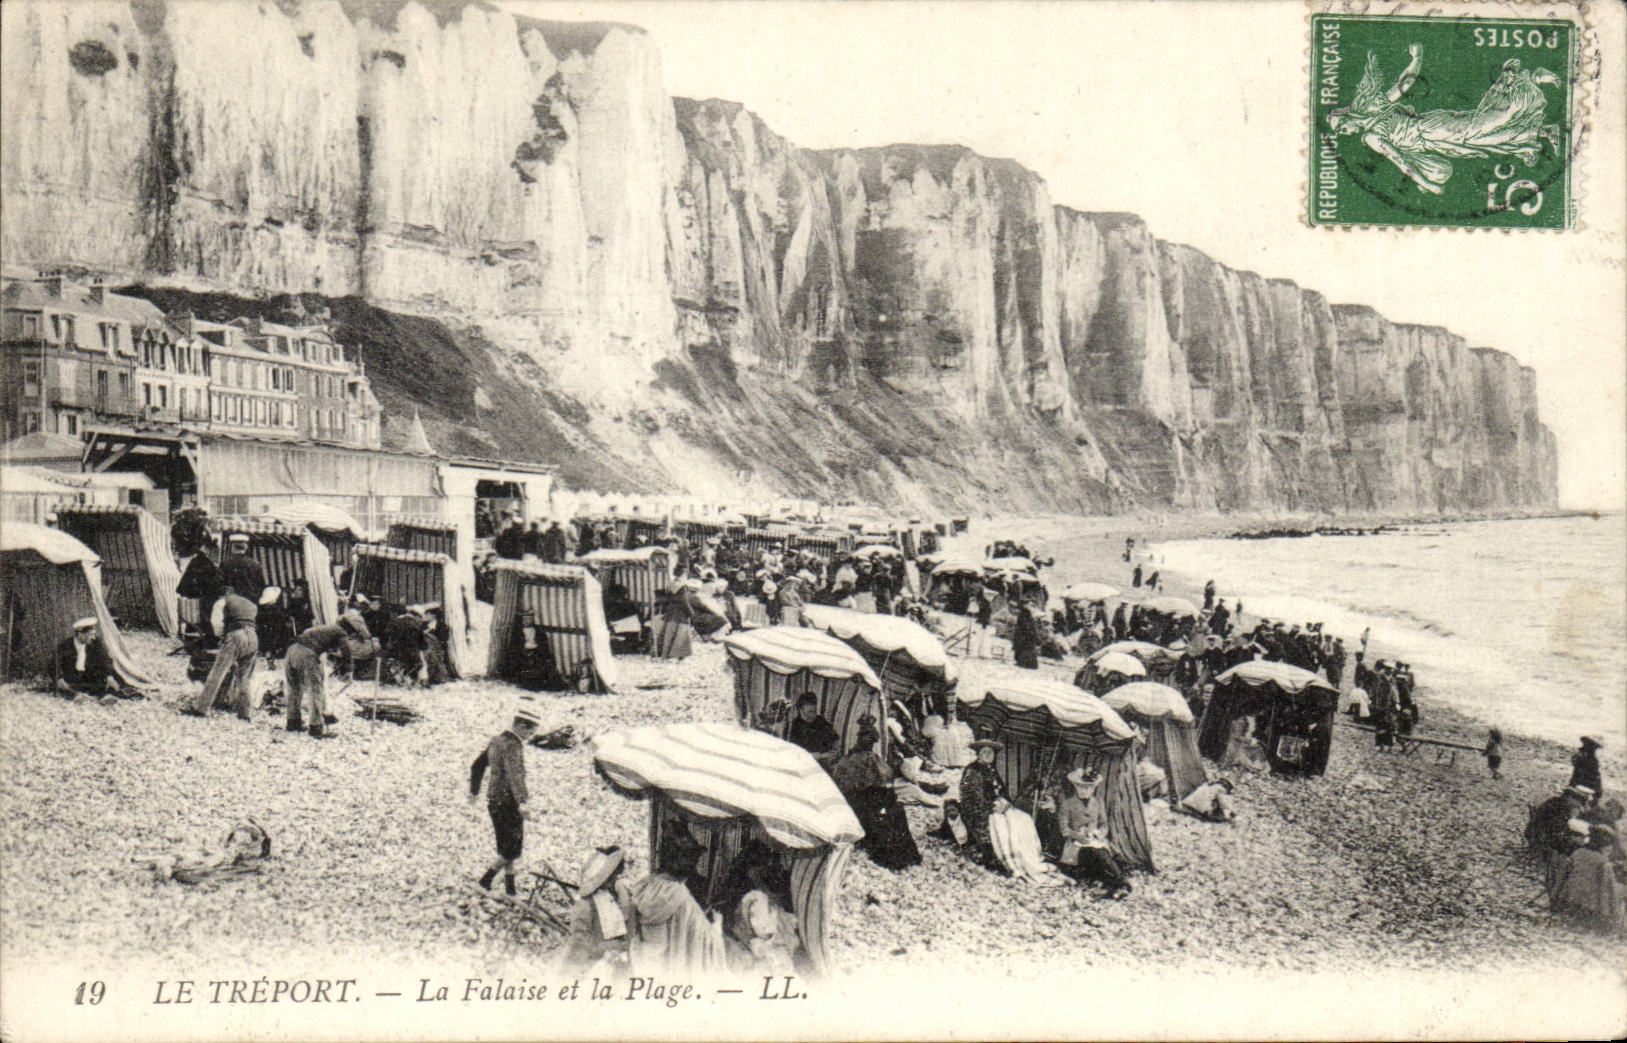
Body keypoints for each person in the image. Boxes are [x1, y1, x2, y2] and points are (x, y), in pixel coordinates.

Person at [622, 830, 726, 976]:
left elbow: (632, 932)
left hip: (643, 966)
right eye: (693, 860)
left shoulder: (644, 886)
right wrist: (717, 925)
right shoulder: (679, 895)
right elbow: (707, 942)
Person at [469, 702, 541, 896]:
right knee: (511, 850)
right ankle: (484, 882)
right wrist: (522, 802)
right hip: (509, 802)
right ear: (522, 726)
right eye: (531, 732)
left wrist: (474, 791)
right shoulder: (513, 746)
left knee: (507, 846)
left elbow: (477, 765)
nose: (530, 737)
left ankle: (510, 890)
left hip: (494, 800)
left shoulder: (497, 740)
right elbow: (514, 776)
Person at [831, 719, 920, 871]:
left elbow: (883, 783)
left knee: (894, 813)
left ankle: (902, 854)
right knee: (884, 818)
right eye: (868, 740)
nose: (869, 744)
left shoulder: (866, 759)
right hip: (858, 805)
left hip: (869, 799)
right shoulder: (852, 760)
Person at [283, 612, 377, 738]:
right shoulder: (340, 632)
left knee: (294, 689)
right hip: (307, 654)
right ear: (351, 629)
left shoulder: (326, 628)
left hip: (291, 651)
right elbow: (347, 652)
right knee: (315, 691)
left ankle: (293, 722)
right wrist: (349, 670)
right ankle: (316, 727)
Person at [185, 585, 259, 720]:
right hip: (253, 637)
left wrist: (221, 640)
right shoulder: (250, 604)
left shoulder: (222, 602)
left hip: (236, 635)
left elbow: (217, 625)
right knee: (245, 677)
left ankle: (201, 708)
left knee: (217, 673)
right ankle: (245, 713)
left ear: (222, 594)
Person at [1057, 767, 1130, 897]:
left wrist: (1100, 834)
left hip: (1095, 840)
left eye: (1089, 787)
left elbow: (1104, 824)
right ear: (1076, 787)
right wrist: (1078, 836)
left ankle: (1116, 884)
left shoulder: (1098, 802)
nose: (1085, 790)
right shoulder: (1067, 804)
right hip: (1076, 845)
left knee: (1106, 855)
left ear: (1094, 788)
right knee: (1097, 854)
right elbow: (1064, 829)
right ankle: (1119, 884)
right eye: (1081, 787)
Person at [561, 845, 632, 974]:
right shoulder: (585, 907)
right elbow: (580, 947)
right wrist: (612, 947)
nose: (614, 880)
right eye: (611, 877)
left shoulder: (610, 897)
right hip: (592, 965)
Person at [957, 738, 1008, 869]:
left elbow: (1001, 790)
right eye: (985, 751)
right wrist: (992, 807)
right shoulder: (972, 770)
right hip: (978, 811)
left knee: (1021, 818)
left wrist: (1004, 802)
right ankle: (993, 858)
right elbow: (974, 797)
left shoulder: (991, 770)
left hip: (994, 807)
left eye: (991, 752)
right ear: (978, 754)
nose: (988, 754)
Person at [55, 617, 119, 705]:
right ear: (80, 634)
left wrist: (109, 676)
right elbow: (55, 663)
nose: (93, 637)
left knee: (103, 681)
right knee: (66, 686)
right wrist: (59, 678)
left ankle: (104, 697)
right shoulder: (65, 645)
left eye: (94, 634)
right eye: (90, 634)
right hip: (73, 677)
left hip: (90, 676)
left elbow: (105, 659)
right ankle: (77, 696)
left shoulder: (96, 643)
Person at [786, 693, 840, 769]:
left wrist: (835, 750)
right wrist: (819, 756)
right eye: (810, 712)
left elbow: (834, 737)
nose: (813, 715)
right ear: (801, 710)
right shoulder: (793, 727)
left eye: (814, 711)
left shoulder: (820, 720)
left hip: (826, 762)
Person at [217, 533, 268, 605]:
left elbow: (220, 585)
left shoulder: (225, 564)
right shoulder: (255, 564)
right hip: (250, 603)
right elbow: (261, 586)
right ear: (246, 547)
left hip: (231, 603)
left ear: (232, 547)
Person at [1012, 603, 1040, 670]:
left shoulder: (1022, 616)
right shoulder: (1030, 619)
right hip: (1028, 640)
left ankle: (1022, 662)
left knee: (1022, 650)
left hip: (1023, 638)